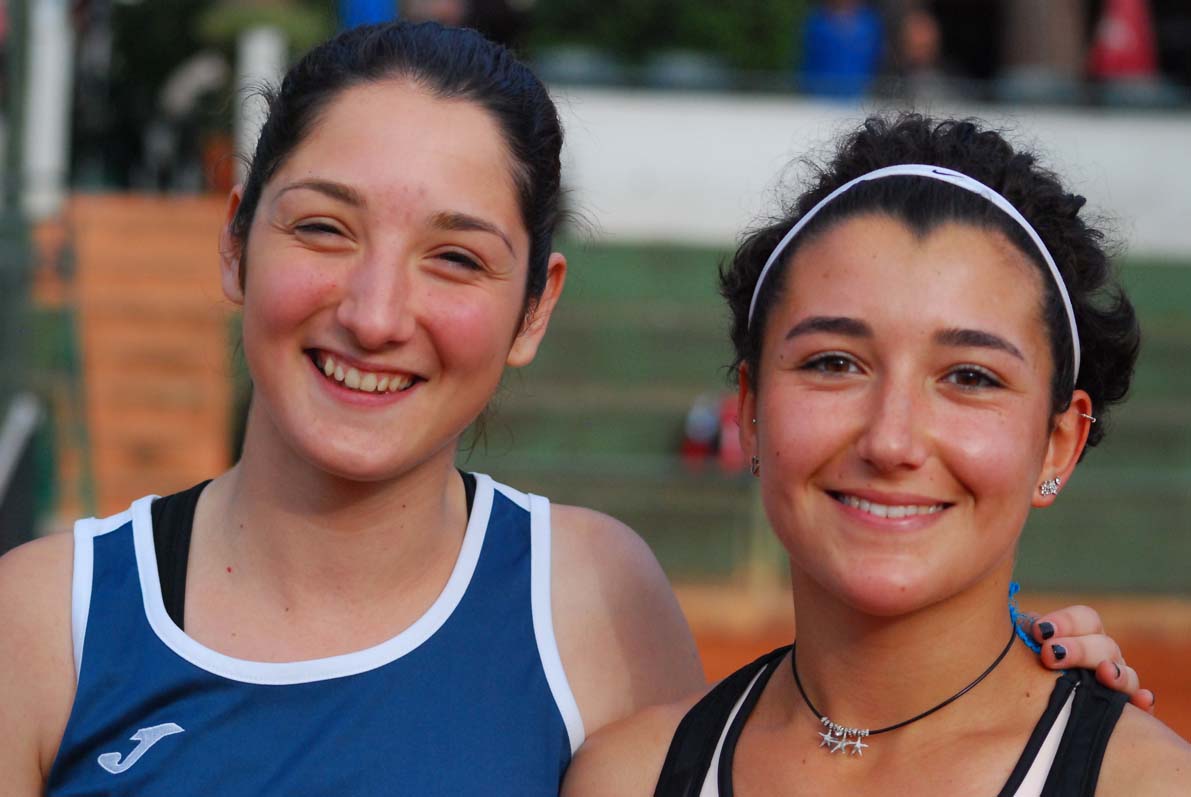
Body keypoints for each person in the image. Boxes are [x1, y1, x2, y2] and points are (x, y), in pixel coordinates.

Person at [0, 24, 1152, 795]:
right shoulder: (44, 622)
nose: (375, 311)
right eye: (322, 228)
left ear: (535, 306)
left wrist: (1015, 672)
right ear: (235, 240)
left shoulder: (594, 598)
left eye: (456, 255)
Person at [563, 115, 1190, 796]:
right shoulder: (623, 777)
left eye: (970, 376)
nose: (891, 441)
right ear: (750, 410)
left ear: (1058, 444)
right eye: (834, 363)